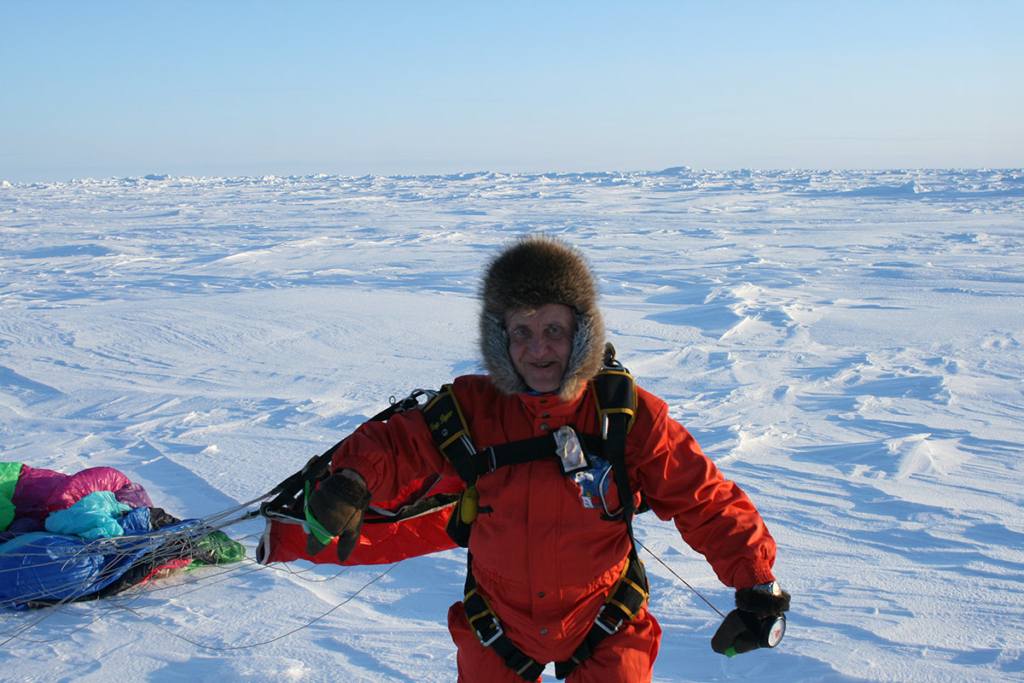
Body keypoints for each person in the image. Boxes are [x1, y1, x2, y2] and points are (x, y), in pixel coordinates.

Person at [305, 235, 790, 682]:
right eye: (522, 331)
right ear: (501, 339)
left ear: (581, 332)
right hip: (497, 623)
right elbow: (397, 444)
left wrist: (756, 586)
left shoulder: (624, 413)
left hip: (606, 617)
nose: (538, 349)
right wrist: (351, 480)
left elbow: (704, 499)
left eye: (553, 329)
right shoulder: (473, 408)